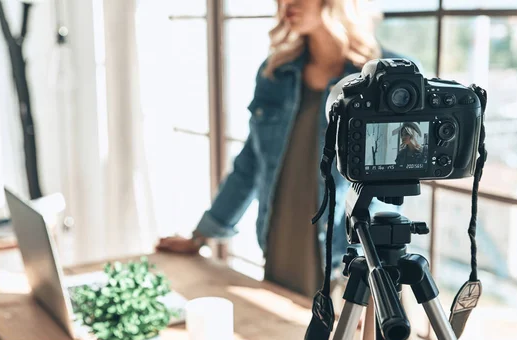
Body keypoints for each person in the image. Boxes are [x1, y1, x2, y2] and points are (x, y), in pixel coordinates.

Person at [158, 0, 401, 298]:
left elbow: (387, 191)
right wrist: (202, 236)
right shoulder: (276, 72)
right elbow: (249, 164)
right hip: (281, 240)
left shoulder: (386, 78)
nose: (286, 4)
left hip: (347, 255)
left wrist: (371, 276)